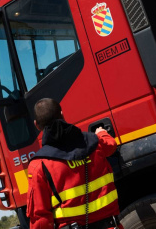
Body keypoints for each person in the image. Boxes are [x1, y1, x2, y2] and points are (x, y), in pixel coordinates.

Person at [27, 98, 122, 229]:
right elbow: (111, 146)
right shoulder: (94, 142)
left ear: (37, 125)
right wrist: (102, 133)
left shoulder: (39, 165)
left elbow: (40, 219)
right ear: (62, 114)